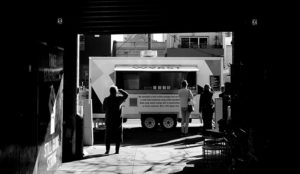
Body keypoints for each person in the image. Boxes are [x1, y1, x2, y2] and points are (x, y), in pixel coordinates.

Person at [103, 85, 128, 154]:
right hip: (117, 121)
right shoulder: (118, 99)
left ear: (110, 92)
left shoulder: (106, 99)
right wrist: (120, 90)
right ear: (116, 92)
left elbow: (103, 109)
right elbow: (126, 95)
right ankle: (117, 151)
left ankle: (107, 150)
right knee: (118, 136)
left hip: (109, 120)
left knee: (108, 136)